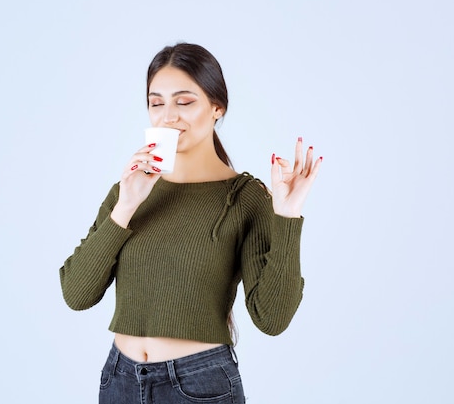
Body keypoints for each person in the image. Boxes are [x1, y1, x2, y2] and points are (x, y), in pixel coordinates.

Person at [59, 43, 322, 404]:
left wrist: (287, 216)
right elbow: (77, 293)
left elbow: (271, 319)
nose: (168, 116)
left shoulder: (245, 197)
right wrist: (126, 206)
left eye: (184, 102)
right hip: (119, 381)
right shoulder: (128, 191)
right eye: (156, 103)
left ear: (217, 107)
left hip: (200, 386)